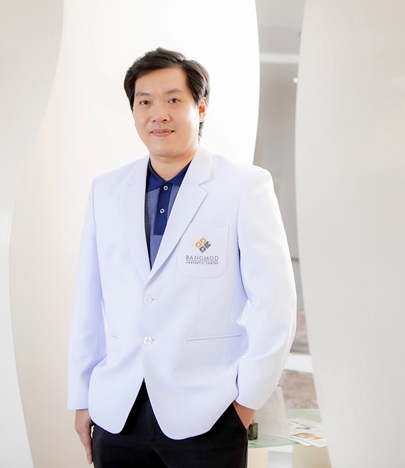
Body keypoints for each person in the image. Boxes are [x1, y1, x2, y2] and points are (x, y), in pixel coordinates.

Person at [67, 48, 296, 467]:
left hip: (208, 413)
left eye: (173, 100)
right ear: (134, 112)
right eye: (145, 102)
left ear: (201, 107)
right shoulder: (107, 190)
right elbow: (88, 300)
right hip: (118, 412)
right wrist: (82, 398)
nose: (159, 114)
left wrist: (245, 404)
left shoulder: (244, 186)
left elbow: (275, 304)